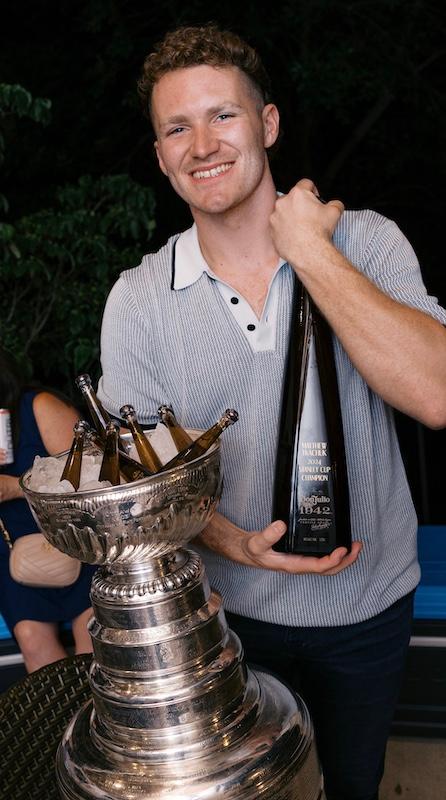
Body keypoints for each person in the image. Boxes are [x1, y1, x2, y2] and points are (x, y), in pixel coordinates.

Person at [96, 24, 446, 800]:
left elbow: (437, 392)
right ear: (159, 156)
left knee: (353, 783)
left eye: (223, 116)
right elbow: (142, 489)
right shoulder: (139, 300)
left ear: (269, 125)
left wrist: (313, 254)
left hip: (370, 604)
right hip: (228, 619)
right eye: (176, 127)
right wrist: (235, 544)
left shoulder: (367, 240)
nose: (201, 144)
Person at [0, 347, 95, 673]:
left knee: (93, 634)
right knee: (30, 638)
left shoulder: (37, 406)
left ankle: (99, 720)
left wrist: (14, 486)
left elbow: (94, 474)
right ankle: (60, 721)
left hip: (79, 536)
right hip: (13, 548)